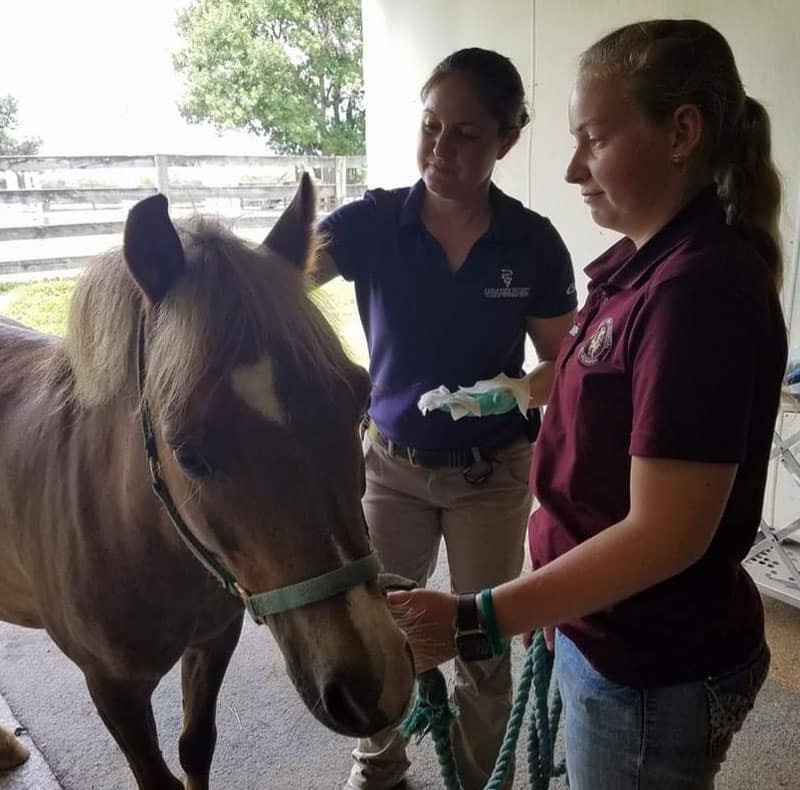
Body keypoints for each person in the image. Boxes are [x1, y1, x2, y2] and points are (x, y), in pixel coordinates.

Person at [389, 20, 787, 790]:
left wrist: (479, 617)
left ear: (682, 132)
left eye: (595, 139)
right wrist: (520, 391)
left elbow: (663, 536)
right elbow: (614, 397)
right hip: (604, 622)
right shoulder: (645, 269)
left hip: (648, 658)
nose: (573, 167)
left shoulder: (695, 291)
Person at [313, 48, 577, 790]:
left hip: (490, 473)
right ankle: (379, 766)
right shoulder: (372, 224)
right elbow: (271, 278)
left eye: (465, 134)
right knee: (382, 627)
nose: (440, 149)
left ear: (506, 142)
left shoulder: (530, 242)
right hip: (390, 468)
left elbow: (568, 364)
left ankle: (474, 775)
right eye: (430, 126)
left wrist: (518, 392)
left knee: (481, 642)